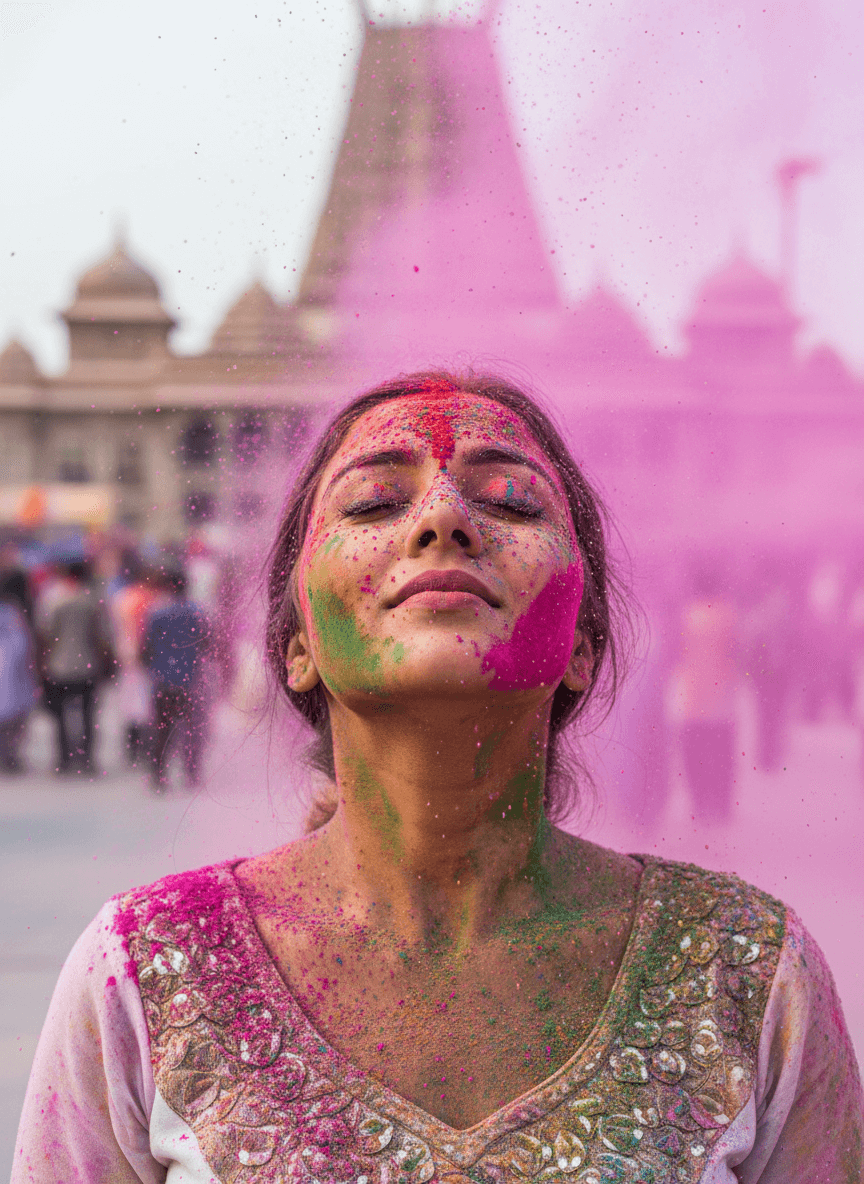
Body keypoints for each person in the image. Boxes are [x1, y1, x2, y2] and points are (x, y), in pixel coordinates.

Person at [13, 372, 862, 1182]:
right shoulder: (144, 971)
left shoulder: (746, 972)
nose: (443, 519)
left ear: (582, 648)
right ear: (296, 647)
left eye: (511, 503)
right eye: (376, 501)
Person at [35, 558, 113, 774]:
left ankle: (63, 760)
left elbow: (45, 634)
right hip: (88, 664)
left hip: (59, 665)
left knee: (60, 717)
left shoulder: (52, 599)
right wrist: (105, 663)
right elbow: (103, 635)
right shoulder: (93, 599)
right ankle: (87, 759)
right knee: (88, 715)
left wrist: (41, 664)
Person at [142, 565, 210, 790]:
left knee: (162, 729)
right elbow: (207, 643)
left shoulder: (157, 612)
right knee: (191, 729)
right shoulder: (196, 612)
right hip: (190, 679)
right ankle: (191, 773)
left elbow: (147, 646)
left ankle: (159, 775)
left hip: (162, 679)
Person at [0, 570, 38, 773]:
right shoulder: (13, 613)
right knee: (14, 716)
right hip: (11, 671)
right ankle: (9, 754)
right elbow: (23, 643)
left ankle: (6, 753)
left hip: (9, 670)